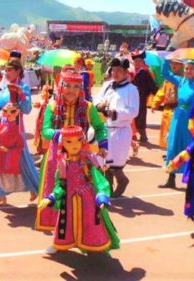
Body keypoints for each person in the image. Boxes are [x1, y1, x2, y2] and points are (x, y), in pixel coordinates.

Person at [35, 68, 108, 231]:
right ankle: (57, 232)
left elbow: (99, 127)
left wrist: (103, 145)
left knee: (85, 193)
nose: (72, 91)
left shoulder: (88, 107)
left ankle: (85, 231)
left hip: (81, 155)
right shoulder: (52, 106)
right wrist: (61, 135)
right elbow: (45, 130)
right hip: (57, 155)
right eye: (68, 86)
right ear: (61, 86)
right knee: (55, 192)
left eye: (76, 87)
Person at [37, 125, 120, 254]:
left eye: (78, 140)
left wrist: (102, 196)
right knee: (65, 223)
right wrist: (51, 197)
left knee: (91, 221)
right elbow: (61, 185)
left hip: (88, 198)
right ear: (62, 143)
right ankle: (60, 244)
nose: (74, 145)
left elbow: (99, 179)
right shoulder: (63, 162)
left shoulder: (88, 159)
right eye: (69, 141)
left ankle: (93, 243)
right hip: (68, 201)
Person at [0, 58, 39, 206]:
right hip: (3, 129)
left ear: (18, 71)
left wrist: (22, 95)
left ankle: (37, 188)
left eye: (10, 70)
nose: (6, 73)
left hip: (17, 130)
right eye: (5, 70)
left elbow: (27, 109)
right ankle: (0, 195)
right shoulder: (5, 88)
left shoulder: (24, 87)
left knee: (23, 161)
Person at [94, 58, 140, 197]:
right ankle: (108, 189)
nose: (115, 73)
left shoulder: (132, 89)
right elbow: (97, 98)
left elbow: (134, 111)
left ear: (126, 72)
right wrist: (100, 104)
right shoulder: (107, 85)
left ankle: (122, 180)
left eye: (119, 70)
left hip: (120, 131)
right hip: (105, 129)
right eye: (113, 70)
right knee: (104, 162)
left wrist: (115, 113)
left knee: (115, 165)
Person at [159, 59, 194, 188]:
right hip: (178, 116)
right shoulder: (181, 81)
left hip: (191, 118)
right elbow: (165, 74)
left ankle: (191, 179)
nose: (188, 71)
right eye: (186, 68)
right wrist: (166, 59)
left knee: (189, 147)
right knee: (173, 146)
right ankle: (171, 178)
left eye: (191, 68)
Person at [151, 59, 184, 149]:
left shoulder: (182, 79)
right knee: (165, 129)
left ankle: (173, 148)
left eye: (177, 64)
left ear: (181, 66)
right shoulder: (167, 80)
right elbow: (161, 92)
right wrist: (155, 103)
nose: (174, 66)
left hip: (176, 108)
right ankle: (167, 149)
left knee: (174, 130)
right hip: (167, 109)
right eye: (173, 63)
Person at [131, 50, 158, 143]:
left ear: (142, 62)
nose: (136, 63)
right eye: (135, 61)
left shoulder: (145, 73)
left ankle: (143, 135)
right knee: (131, 117)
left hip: (141, 99)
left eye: (139, 61)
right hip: (131, 100)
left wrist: (157, 95)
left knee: (141, 117)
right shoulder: (131, 73)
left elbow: (152, 85)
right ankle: (132, 135)